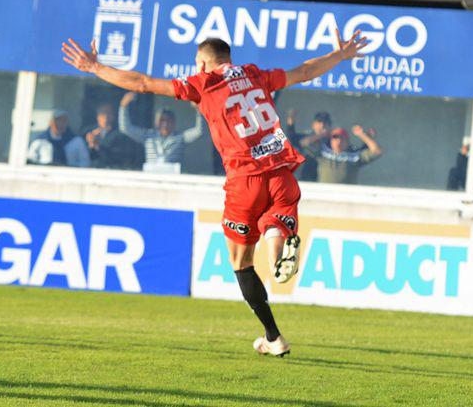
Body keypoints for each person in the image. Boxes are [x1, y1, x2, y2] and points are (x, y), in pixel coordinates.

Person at [62, 30, 368, 356]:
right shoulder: (256, 75)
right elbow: (304, 71)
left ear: (203, 62)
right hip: (282, 174)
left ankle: (274, 337)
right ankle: (276, 248)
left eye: (197, 63)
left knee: (241, 262)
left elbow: (142, 83)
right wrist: (340, 55)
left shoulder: (203, 84)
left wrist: (95, 67)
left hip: (244, 181)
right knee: (274, 221)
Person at [118, 91, 203, 169]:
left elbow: (199, 131)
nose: (165, 124)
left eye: (168, 120)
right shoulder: (148, 136)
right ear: (156, 122)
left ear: (174, 123)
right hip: (151, 178)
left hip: (172, 178)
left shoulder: (181, 138)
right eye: (162, 120)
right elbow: (126, 128)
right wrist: (123, 106)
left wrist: (198, 109)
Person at [306, 125, 383, 185]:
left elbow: (377, 151)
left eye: (342, 138)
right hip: (324, 195)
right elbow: (305, 143)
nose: (338, 141)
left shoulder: (355, 156)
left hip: (346, 196)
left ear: (347, 142)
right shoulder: (323, 153)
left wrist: (362, 135)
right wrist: (323, 134)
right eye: (335, 138)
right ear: (331, 141)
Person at [85, 102, 143, 169]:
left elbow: (115, 159)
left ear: (114, 116)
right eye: (102, 113)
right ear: (97, 116)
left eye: (109, 113)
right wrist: (90, 144)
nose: (106, 117)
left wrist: (97, 145)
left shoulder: (120, 135)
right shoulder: (89, 131)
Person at [284, 110, 331, 182]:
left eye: (325, 123)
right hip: (303, 178)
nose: (322, 125)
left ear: (329, 126)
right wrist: (291, 120)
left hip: (321, 180)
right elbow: (293, 138)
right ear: (313, 125)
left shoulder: (332, 141)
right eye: (319, 122)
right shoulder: (306, 136)